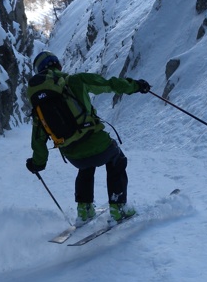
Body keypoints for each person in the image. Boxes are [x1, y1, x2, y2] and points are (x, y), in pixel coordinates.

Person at [25, 51, 151, 224]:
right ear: (58, 66)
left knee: (85, 166)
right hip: (97, 143)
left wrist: (37, 163)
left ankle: (84, 210)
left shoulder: (39, 104)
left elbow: (38, 137)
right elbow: (109, 84)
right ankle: (118, 207)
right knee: (117, 159)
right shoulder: (75, 81)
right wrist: (137, 86)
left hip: (73, 156)